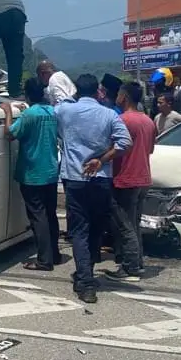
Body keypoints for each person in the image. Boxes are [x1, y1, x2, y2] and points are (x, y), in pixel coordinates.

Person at [55, 74, 132, 304]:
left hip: (75, 179)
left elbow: (54, 113)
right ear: (98, 90)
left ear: (77, 90)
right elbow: (125, 142)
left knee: (78, 230)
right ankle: (85, 274)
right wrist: (102, 159)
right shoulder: (108, 114)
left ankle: (85, 281)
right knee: (96, 229)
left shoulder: (64, 111)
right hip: (100, 178)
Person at [0, 78, 61, 271]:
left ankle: (44, 260)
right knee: (50, 214)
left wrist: (8, 112)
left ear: (27, 94)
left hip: (32, 173)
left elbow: (9, 134)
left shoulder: (29, 115)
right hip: (51, 171)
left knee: (37, 216)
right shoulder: (52, 112)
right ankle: (55, 254)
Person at [107, 81, 156, 281]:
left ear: (124, 97)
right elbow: (151, 149)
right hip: (143, 176)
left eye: (119, 94)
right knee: (134, 223)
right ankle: (138, 262)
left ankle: (130, 266)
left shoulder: (122, 120)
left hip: (126, 176)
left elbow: (113, 148)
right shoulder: (148, 121)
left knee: (125, 224)